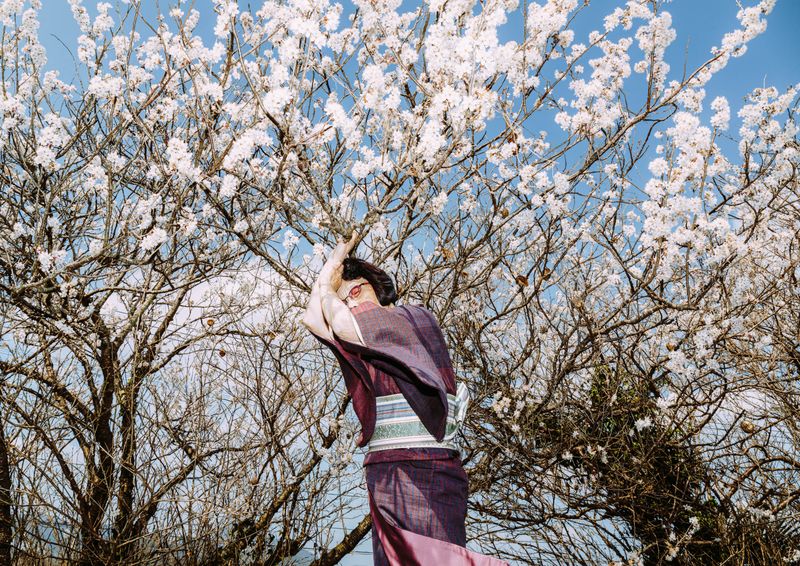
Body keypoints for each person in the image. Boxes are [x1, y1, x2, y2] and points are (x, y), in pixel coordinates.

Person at [302, 233, 508, 566]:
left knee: (435, 560)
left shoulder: (411, 317)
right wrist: (333, 263)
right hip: (386, 471)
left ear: (375, 285)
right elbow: (313, 318)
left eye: (355, 292)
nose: (352, 304)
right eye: (344, 300)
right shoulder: (361, 341)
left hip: (424, 467)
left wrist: (329, 289)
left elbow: (342, 323)